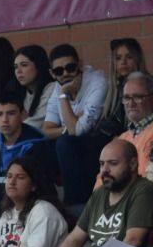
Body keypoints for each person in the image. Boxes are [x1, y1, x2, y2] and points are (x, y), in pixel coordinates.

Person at [39, 43, 110, 206]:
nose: (65, 74)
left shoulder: (97, 83)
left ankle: (75, 206)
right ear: (52, 73)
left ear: (80, 65)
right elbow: (46, 130)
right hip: (74, 145)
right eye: (59, 71)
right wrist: (68, 126)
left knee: (66, 143)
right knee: (38, 148)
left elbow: (78, 130)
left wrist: (64, 96)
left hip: (99, 144)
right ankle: (45, 206)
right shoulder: (59, 86)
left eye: (70, 67)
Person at [14, 44, 54, 131]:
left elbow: (36, 123)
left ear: (39, 65)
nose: (18, 71)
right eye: (16, 67)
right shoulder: (25, 93)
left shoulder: (52, 88)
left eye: (24, 65)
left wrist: (7, 130)